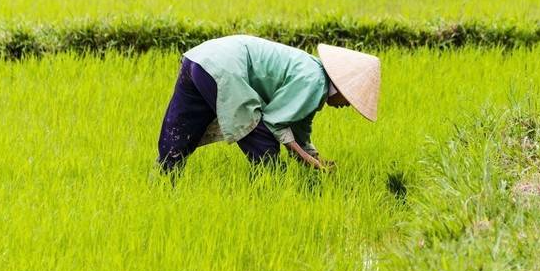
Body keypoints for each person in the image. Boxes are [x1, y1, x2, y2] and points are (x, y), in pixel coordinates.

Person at [157, 35, 380, 177]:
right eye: (349, 99)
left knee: (180, 130)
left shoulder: (312, 71)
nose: (346, 106)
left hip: (198, 59)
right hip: (226, 69)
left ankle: (163, 182)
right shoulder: (315, 82)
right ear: (341, 87)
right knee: (264, 145)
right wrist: (305, 158)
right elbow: (275, 121)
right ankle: (266, 194)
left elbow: (298, 124)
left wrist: (312, 155)